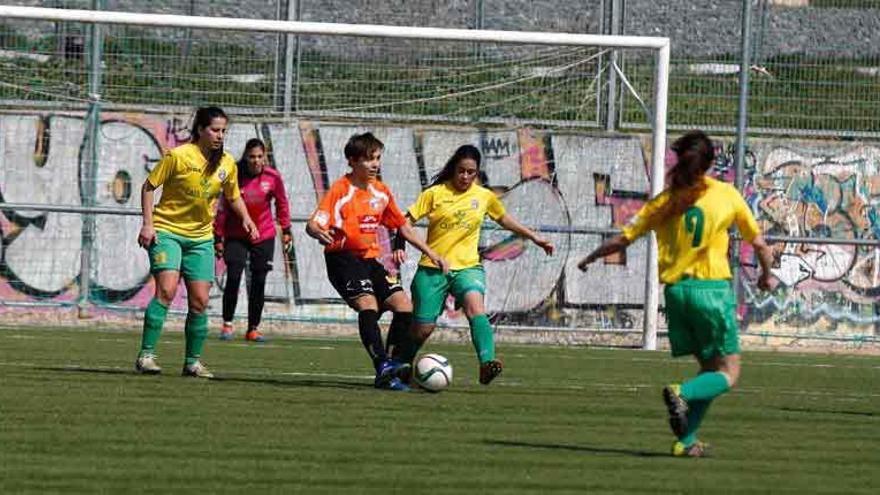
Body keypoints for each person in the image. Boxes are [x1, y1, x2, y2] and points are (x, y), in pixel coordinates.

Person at [576, 130, 773, 457]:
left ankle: (687, 441)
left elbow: (621, 240)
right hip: (711, 292)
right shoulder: (726, 195)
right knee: (728, 373)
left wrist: (589, 258)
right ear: (710, 163)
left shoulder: (664, 202)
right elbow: (761, 247)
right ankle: (680, 392)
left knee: (710, 370)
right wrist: (766, 276)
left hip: (677, 295)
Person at [392, 145, 554, 386]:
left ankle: (487, 363)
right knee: (423, 329)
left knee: (475, 308)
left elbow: (504, 219)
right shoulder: (434, 194)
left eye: (471, 172)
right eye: (461, 171)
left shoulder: (483, 196)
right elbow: (405, 221)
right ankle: (398, 363)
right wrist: (400, 245)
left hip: (468, 267)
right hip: (432, 269)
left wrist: (533, 236)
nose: (465, 177)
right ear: (453, 169)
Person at [305, 132, 449, 391]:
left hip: (370, 260)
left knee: (404, 306)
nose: (375, 164)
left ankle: (393, 365)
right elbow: (314, 223)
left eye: (377, 158)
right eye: (369, 159)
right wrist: (316, 230)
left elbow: (402, 227)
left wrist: (431, 252)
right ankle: (382, 365)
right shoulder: (341, 189)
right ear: (352, 161)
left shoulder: (381, 192)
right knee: (368, 305)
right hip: (343, 258)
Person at [135, 106, 259, 379]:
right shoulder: (178, 156)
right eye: (215, 129)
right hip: (166, 231)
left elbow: (233, 195)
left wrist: (247, 218)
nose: (219, 135)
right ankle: (146, 355)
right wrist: (148, 223)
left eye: (224, 131)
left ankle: (192, 362)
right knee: (166, 290)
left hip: (201, 238)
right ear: (200, 130)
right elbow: (148, 186)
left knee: (201, 300)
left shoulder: (226, 163)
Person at [214, 138, 292, 343]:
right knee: (234, 276)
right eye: (252, 157)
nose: (256, 161)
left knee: (259, 280)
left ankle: (253, 328)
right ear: (245, 157)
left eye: (259, 156)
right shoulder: (235, 175)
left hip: (263, 234)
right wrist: (218, 236)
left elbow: (282, 204)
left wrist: (286, 229)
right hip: (235, 235)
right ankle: (227, 324)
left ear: (264, 157)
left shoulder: (272, 177)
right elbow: (223, 206)